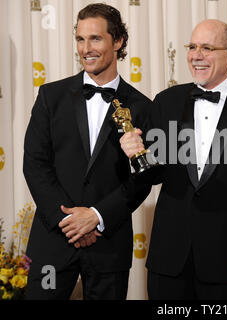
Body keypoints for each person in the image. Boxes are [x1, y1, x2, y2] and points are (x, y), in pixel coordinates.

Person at [120, 19, 227, 299]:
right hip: (169, 259)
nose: (196, 55)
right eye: (192, 46)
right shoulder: (166, 100)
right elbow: (155, 174)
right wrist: (136, 155)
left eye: (207, 47)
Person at [23, 3, 151, 300]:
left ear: (118, 41)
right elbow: (35, 165)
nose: (86, 48)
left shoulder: (143, 106)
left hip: (108, 245)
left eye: (95, 38)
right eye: (80, 39)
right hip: (54, 239)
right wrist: (70, 222)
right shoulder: (50, 96)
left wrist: (96, 216)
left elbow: (143, 178)